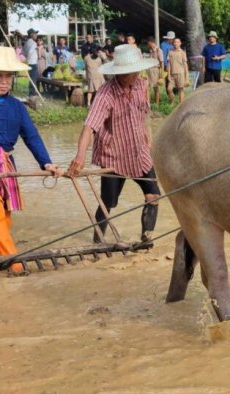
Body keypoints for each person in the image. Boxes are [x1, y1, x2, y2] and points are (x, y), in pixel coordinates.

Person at [0, 47, 63, 273]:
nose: (4, 81)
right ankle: (13, 262)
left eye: (8, 76)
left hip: (5, 163)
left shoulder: (17, 107)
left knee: (4, 215)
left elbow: (31, 136)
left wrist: (46, 162)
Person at [66, 45, 161, 245]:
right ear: (119, 73)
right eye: (129, 73)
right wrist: (80, 156)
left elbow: (145, 117)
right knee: (107, 203)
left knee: (153, 196)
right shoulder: (105, 94)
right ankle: (97, 243)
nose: (134, 76)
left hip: (139, 153)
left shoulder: (141, 86)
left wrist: (149, 143)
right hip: (113, 156)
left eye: (136, 71)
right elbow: (89, 128)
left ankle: (146, 241)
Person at [167, 37, 189, 104]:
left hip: (180, 73)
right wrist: (168, 75)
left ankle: (181, 105)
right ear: (173, 43)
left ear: (180, 43)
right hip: (172, 74)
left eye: (177, 42)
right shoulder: (170, 52)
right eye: (174, 42)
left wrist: (186, 77)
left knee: (181, 90)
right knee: (169, 89)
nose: (176, 43)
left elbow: (185, 65)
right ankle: (172, 102)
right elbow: (169, 64)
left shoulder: (182, 52)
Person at [146, 36, 164, 105]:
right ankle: (149, 103)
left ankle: (157, 104)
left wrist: (161, 75)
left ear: (151, 42)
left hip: (155, 70)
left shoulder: (159, 50)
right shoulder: (151, 51)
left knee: (155, 88)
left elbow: (161, 63)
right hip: (150, 70)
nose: (147, 45)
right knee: (148, 87)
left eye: (148, 43)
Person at [24, 28, 39, 96]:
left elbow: (24, 52)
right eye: (35, 34)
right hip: (33, 63)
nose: (36, 35)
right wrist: (29, 58)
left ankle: (31, 93)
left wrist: (27, 59)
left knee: (31, 79)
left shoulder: (26, 43)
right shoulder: (33, 43)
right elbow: (30, 52)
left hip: (29, 63)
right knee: (33, 79)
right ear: (31, 34)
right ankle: (32, 94)